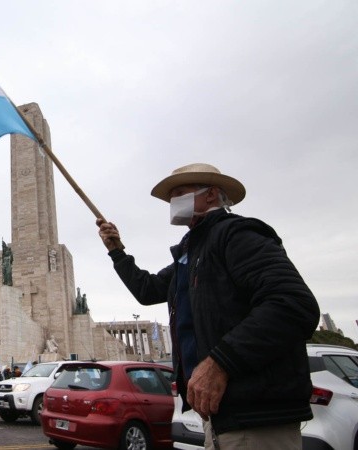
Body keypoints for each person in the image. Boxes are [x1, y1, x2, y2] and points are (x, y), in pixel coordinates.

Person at [96, 163, 319, 450]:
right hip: (218, 413)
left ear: (211, 194)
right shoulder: (191, 251)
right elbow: (147, 290)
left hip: (254, 416)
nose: (174, 202)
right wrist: (117, 251)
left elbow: (293, 304)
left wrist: (221, 362)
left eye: (180, 193)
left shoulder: (236, 234)